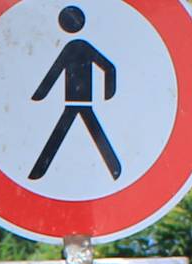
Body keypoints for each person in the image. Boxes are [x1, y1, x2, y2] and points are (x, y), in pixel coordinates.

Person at [28, 5, 122, 182]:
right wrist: (107, 93)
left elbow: (54, 73)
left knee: (67, 133)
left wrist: (40, 94)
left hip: (76, 101)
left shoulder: (75, 47)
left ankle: (37, 172)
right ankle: (115, 169)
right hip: (77, 101)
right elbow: (109, 68)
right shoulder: (81, 47)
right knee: (88, 132)